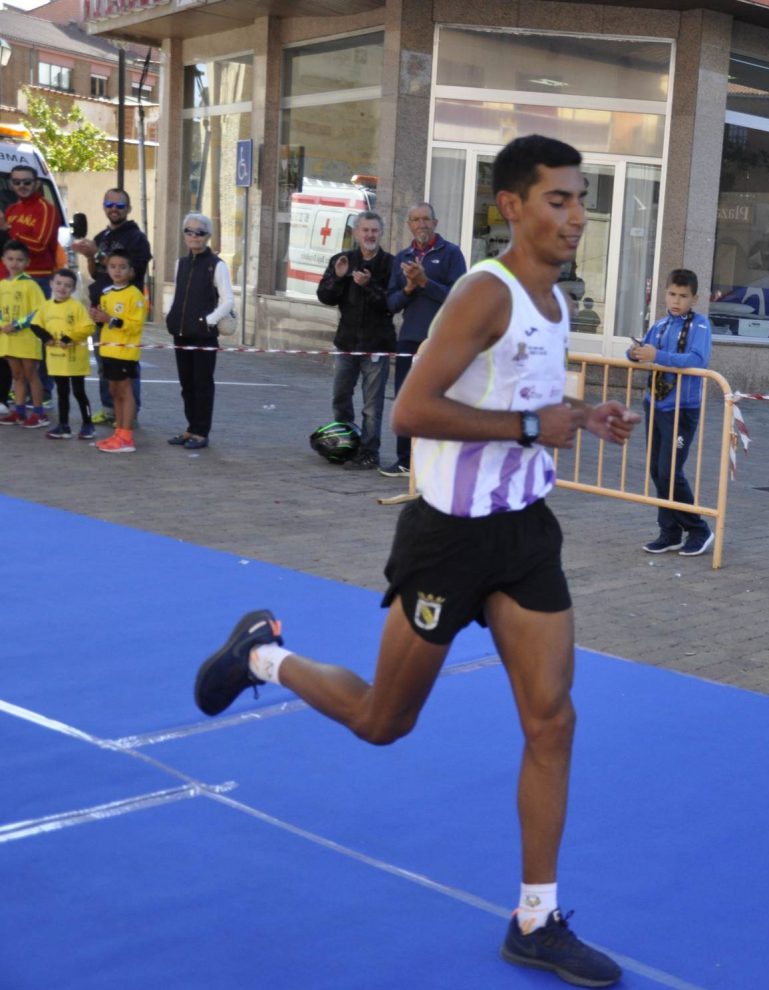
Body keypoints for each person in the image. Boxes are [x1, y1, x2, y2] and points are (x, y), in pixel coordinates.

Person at [194, 135, 637, 989]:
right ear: (512, 205)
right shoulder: (484, 292)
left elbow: (522, 405)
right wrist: (532, 428)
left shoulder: (554, 304)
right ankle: (261, 653)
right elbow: (411, 410)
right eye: (559, 199)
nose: (577, 214)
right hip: (448, 539)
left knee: (554, 721)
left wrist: (579, 417)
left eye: (583, 199)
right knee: (383, 722)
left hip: (525, 533)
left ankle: (536, 919)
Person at [627, 268, 715, 557]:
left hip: (682, 409)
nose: (676, 301)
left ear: (694, 298)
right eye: (672, 294)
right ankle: (669, 531)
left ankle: (698, 529)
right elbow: (646, 349)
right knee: (657, 470)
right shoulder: (661, 324)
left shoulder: (700, 325)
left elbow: (696, 360)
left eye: (683, 296)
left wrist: (657, 356)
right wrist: (635, 353)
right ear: (664, 294)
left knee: (670, 471)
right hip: (655, 404)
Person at [379, 201, 467, 477]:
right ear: (409, 225)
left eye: (426, 219)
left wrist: (426, 282)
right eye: (416, 220)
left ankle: (439, 462)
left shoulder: (451, 253)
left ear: (435, 223)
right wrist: (408, 287)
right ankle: (405, 460)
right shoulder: (402, 257)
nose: (421, 225)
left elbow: (460, 297)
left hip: (442, 340)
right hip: (409, 339)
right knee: (406, 399)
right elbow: (391, 303)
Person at [316, 210, 394, 471]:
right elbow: (325, 297)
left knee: (372, 407)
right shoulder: (343, 260)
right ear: (356, 233)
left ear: (381, 233)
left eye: (375, 230)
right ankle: (344, 444)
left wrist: (368, 286)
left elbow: (391, 304)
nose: (370, 235)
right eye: (365, 230)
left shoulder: (389, 264)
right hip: (346, 344)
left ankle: (370, 453)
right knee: (341, 397)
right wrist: (338, 278)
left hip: (376, 346)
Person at [73, 187, 152, 425]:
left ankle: (129, 416)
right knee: (105, 364)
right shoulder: (102, 236)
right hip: (100, 309)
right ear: (104, 206)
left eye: (119, 206)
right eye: (109, 205)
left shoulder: (136, 238)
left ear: (128, 209)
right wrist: (89, 256)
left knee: (126, 366)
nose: (114, 209)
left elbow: (132, 269)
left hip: (123, 312)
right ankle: (109, 409)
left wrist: (96, 253)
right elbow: (96, 273)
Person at [164, 213, 233, 450]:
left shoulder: (217, 265)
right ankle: (190, 427)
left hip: (203, 335)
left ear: (208, 236)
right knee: (187, 384)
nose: (194, 236)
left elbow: (228, 301)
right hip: (181, 333)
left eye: (200, 232)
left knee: (202, 384)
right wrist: (169, 313)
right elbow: (176, 293)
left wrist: (209, 321)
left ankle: (201, 432)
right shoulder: (180, 264)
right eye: (189, 231)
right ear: (184, 235)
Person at [89, 248, 147, 454]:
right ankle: (118, 432)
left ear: (131, 271)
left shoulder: (135, 295)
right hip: (108, 351)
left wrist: (110, 319)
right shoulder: (106, 294)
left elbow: (135, 325)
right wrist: (96, 316)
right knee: (114, 391)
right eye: (113, 267)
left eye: (123, 267)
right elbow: (104, 321)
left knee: (125, 391)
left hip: (124, 352)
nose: (117, 271)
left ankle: (126, 436)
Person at [26, 267, 94, 439]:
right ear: (51, 284)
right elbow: (35, 324)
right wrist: (46, 337)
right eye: (59, 283)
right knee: (62, 393)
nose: (62, 288)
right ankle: (64, 426)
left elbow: (88, 326)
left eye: (67, 285)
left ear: (73, 288)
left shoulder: (76, 307)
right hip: (56, 360)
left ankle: (88, 424)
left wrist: (69, 337)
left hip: (75, 358)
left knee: (79, 393)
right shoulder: (46, 307)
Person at [0, 240, 48, 427]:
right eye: (10, 259)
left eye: (19, 259)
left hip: (27, 337)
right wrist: (3, 325)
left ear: (27, 262)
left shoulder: (31, 285)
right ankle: (19, 412)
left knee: (30, 374)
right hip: (8, 338)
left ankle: (39, 413)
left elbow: (38, 311)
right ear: (3, 260)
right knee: (17, 375)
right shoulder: (2, 285)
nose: (14, 263)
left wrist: (17, 325)